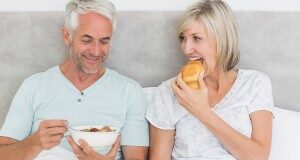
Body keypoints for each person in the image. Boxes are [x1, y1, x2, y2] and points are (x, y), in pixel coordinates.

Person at [0, 0, 149, 159]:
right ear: (66, 36)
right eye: (87, 40)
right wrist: (34, 143)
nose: (96, 51)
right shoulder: (33, 86)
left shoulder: (130, 91)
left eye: (104, 41)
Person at [146, 0, 274, 159]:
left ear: (222, 40)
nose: (186, 49)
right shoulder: (168, 92)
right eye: (183, 38)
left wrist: (202, 111)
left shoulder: (254, 84)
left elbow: (259, 156)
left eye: (196, 38)